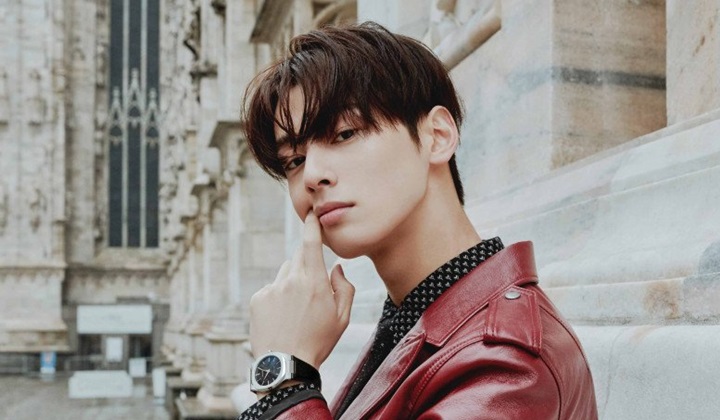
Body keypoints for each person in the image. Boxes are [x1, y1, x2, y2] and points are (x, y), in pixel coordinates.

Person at [238, 22, 598, 420]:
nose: (312, 175)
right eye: (294, 160)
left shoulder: (508, 364)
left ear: (437, 136)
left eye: (344, 134)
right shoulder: (414, 318)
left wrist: (285, 381)